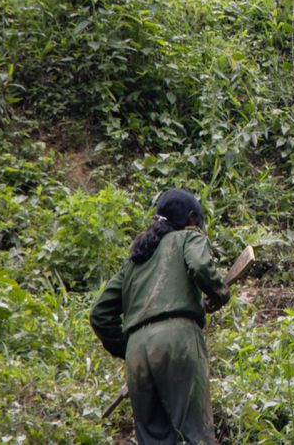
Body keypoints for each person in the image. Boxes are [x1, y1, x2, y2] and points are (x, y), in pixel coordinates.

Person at [90, 189, 230, 445]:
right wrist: (219, 294)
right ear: (190, 219)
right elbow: (200, 265)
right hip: (178, 339)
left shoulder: (134, 261)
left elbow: (99, 314)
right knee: (195, 434)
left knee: (153, 439)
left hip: (137, 353)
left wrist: (126, 348)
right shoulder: (189, 238)